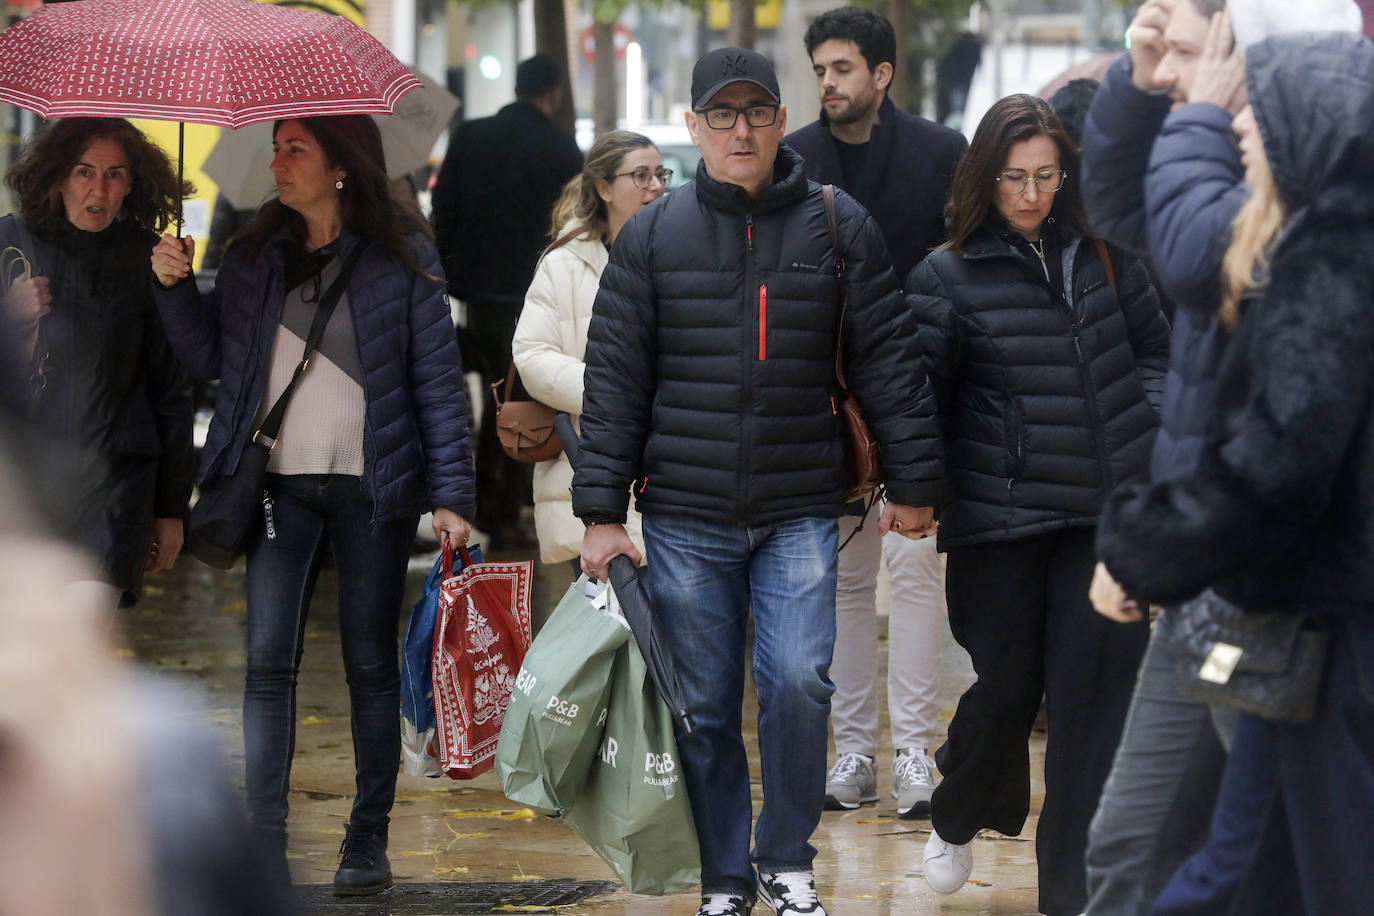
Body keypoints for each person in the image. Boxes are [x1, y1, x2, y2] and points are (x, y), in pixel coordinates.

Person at [573, 46, 945, 916]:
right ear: (695, 127)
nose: (742, 130)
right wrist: (600, 511)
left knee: (798, 682)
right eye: (723, 114)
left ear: (783, 121)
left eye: (758, 112)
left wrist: (917, 484)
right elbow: (616, 378)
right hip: (685, 513)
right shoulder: (653, 236)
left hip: (800, 508)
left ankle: (786, 857)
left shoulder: (838, 223)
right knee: (702, 703)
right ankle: (727, 877)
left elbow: (890, 362)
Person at [1078, 3, 1363, 913]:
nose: (1180, 84)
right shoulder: (1261, 186)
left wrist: (1148, 543)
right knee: (1155, 844)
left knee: (1243, 863)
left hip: (1267, 587)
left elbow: (1196, 252)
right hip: (1211, 563)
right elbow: (1125, 204)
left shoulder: (1321, 233)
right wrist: (1135, 70)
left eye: (1198, 63)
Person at [149, 115, 475, 897]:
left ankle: (367, 841)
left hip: (374, 489)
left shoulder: (403, 260)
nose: (278, 160)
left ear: (340, 164)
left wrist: (454, 497)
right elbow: (211, 361)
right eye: (277, 146)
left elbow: (437, 385)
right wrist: (172, 288)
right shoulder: (256, 256)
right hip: (277, 489)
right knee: (267, 665)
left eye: (295, 147)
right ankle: (264, 842)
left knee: (368, 666)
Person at [906, 93, 1170, 915]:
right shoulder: (945, 275)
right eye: (1015, 177)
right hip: (1002, 522)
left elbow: (1159, 356)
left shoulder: (1109, 255)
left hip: (1104, 518)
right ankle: (957, 808)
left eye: (1047, 176)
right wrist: (916, 492)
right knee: (1007, 691)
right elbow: (920, 400)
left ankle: (1074, 896)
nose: (1031, 194)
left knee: (1094, 715)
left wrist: (1149, 437)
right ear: (985, 178)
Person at [783, 5, 967, 819]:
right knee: (845, 584)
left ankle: (917, 755)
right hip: (824, 398)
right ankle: (855, 751)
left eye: (843, 68)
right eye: (820, 68)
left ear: (881, 74)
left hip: (922, 388)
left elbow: (964, 265)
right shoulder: (796, 158)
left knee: (919, 573)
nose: (828, 81)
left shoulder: (939, 153)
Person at [1, 118, 193, 612]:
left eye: (114, 174)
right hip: (23, 485)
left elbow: (171, 389)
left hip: (115, 486)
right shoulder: (10, 243)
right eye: (84, 172)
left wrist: (171, 508)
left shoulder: (153, 257)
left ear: (132, 183)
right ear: (59, 175)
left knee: (83, 636)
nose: (99, 189)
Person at [431, 53, 583, 551]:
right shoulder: (561, 148)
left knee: (486, 395)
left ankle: (481, 500)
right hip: (535, 291)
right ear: (552, 94)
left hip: (476, 294)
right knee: (525, 399)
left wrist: (450, 276)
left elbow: (444, 213)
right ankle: (505, 509)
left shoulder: (470, 137)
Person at [510, 131, 664, 575]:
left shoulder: (682, 254)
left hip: (670, 469)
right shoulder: (564, 262)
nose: (655, 186)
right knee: (605, 625)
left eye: (660, 174)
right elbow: (532, 354)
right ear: (603, 187)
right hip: (591, 470)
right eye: (640, 175)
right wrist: (608, 392)